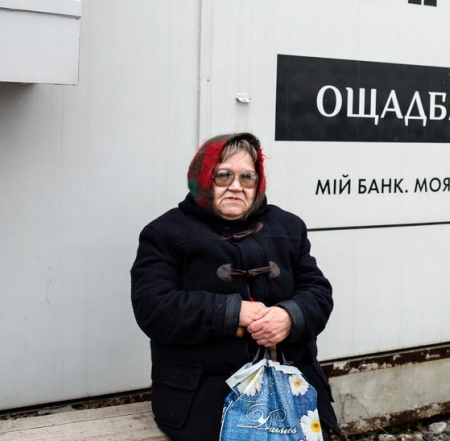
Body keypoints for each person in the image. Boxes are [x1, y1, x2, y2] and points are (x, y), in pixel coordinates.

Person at [131, 133, 339, 441]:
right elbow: (154, 307)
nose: (236, 186)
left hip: (292, 388)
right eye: (223, 175)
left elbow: (319, 293)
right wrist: (232, 312)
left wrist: (289, 317)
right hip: (204, 395)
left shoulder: (288, 226)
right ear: (202, 179)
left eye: (247, 177)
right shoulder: (164, 233)